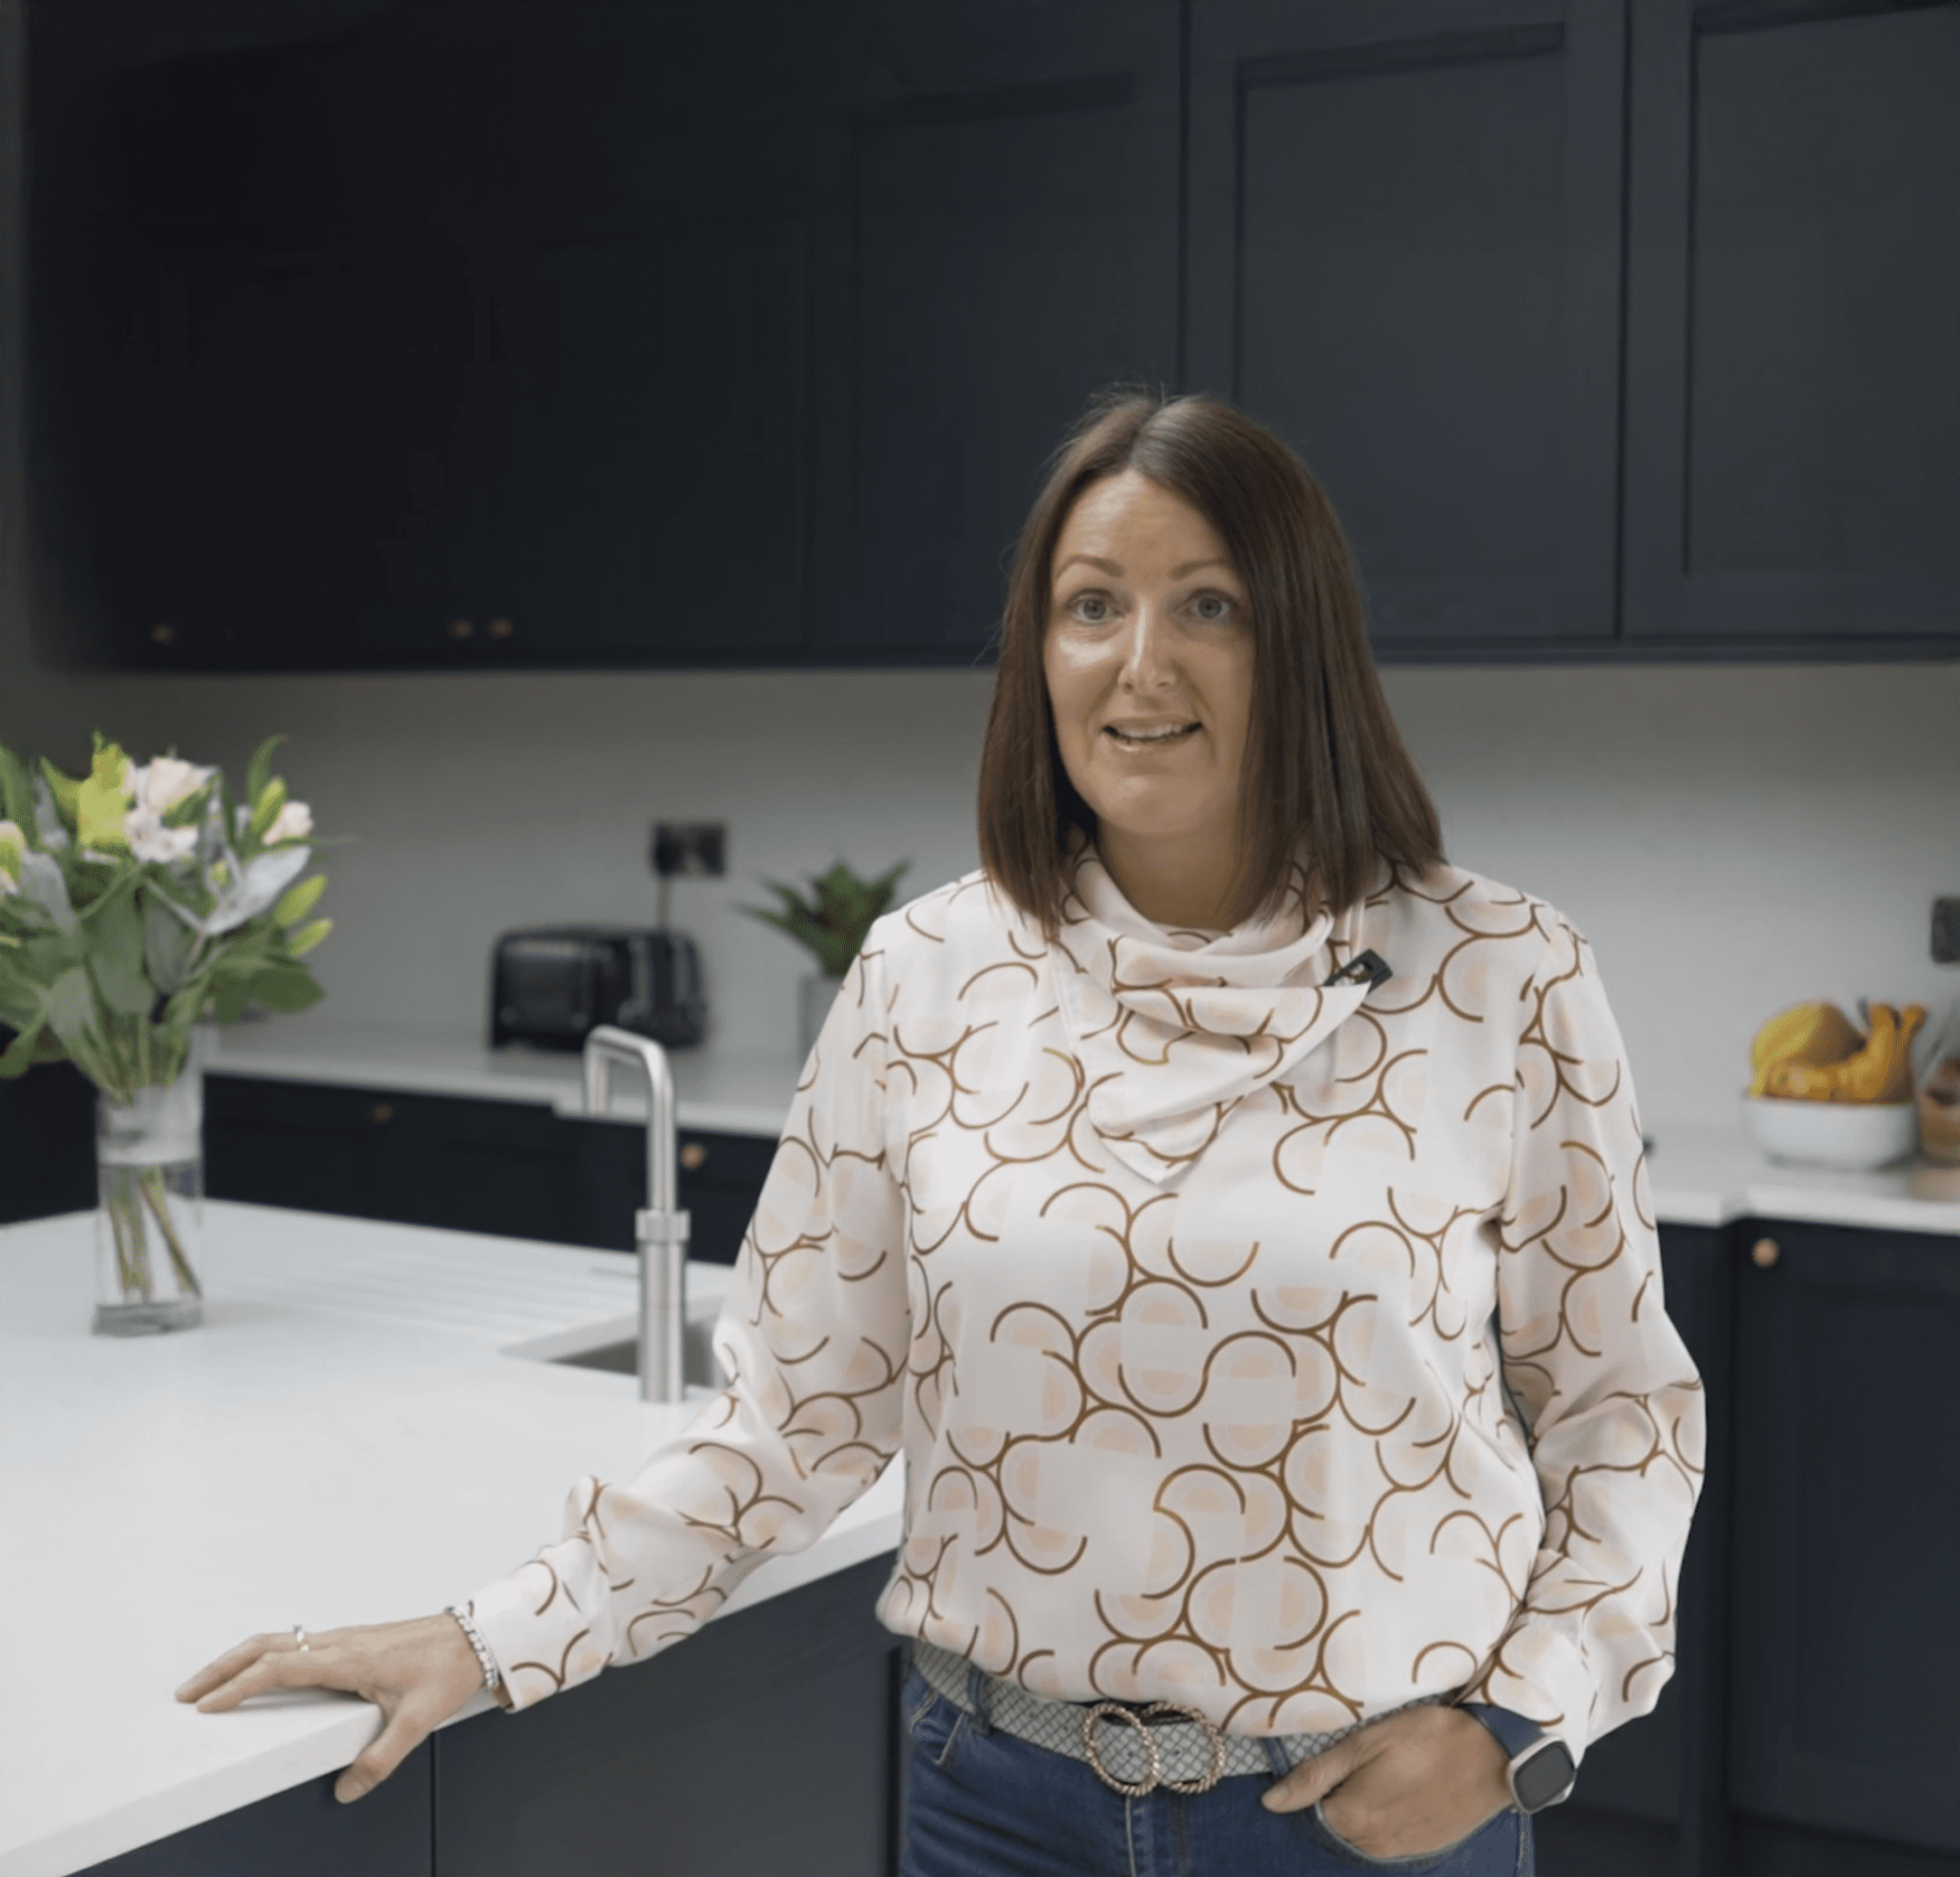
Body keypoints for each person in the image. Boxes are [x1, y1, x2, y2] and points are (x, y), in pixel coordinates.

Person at [182, 389, 1703, 1876]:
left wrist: (1520, 1727)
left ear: (1302, 640)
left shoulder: (1499, 973)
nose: (1142, 662)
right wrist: (491, 1634)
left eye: (1211, 606)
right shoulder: (925, 973)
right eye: (1092, 605)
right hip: (998, 1805)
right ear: (1040, 651)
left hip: (1365, 1826)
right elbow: (793, 1419)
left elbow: (1622, 1410)